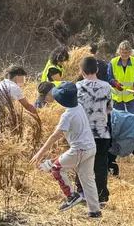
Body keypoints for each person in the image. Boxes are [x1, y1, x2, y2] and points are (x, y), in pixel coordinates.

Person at [31, 82, 102, 219]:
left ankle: (71, 196)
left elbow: (54, 136)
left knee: (56, 168)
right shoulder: (79, 107)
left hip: (79, 150)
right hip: (91, 148)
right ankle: (95, 212)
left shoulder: (67, 115)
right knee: (88, 180)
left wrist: (40, 153)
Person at [75, 57, 113, 206]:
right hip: (102, 132)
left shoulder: (77, 87)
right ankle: (101, 196)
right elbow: (109, 109)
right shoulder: (106, 86)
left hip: (83, 132)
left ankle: (82, 192)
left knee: (81, 163)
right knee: (101, 165)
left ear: (81, 71)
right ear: (96, 70)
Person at [0, 66, 39, 130]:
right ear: (17, 77)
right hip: (5, 118)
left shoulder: (1, 83)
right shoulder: (14, 88)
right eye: (23, 78)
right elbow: (27, 106)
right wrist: (38, 114)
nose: (24, 81)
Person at [107, 41, 134, 114]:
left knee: (132, 118)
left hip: (131, 96)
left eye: (126, 53)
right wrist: (114, 83)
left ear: (130, 52)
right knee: (119, 118)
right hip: (117, 97)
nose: (124, 55)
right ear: (119, 51)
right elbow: (108, 76)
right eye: (122, 52)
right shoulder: (113, 62)